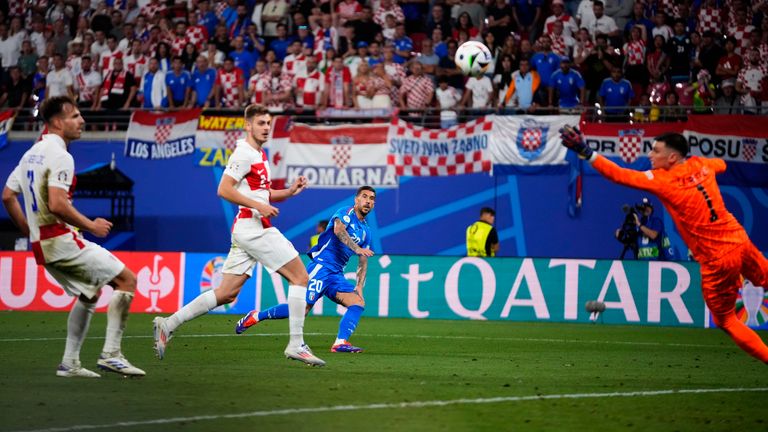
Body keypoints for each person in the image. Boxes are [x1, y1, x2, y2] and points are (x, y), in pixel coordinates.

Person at [560, 127, 768, 363]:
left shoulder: (663, 180)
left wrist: (586, 151)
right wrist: (706, 168)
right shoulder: (702, 164)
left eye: (656, 150)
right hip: (739, 240)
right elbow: (722, 164)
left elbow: (619, 174)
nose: (650, 155)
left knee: (727, 320)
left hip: (717, 258)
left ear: (672, 157)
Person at [153, 104, 325, 367]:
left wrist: (289, 192)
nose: (266, 128)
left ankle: (168, 323)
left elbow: (262, 194)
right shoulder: (244, 153)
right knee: (300, 277)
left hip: (246, 228)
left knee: (226, 293)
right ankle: (295, 344)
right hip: (255, 228)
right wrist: (257, 206)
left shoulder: (259, 154)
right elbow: (223, 189)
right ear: (247, 125)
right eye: (261, 123)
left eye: (268, 123)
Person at [1, 96, 144, 378]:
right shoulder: (61, 155)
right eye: (75, 116)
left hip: (42, 244)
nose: (82, 121)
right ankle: (111, 354)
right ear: (57, 122)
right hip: (60, 239)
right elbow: (57, 203)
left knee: (88, 295)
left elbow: (8, 196)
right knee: (127, 279)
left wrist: (29, 231)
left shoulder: (32, 153)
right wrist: (91, 225)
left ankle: (70, 363)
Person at [236, 186, 377, 353]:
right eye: (365, 197)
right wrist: (356, 248)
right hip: (321, 267)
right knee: (301, 310)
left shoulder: (366, 231)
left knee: (358, 303)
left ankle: (340, 342)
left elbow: (363, 259)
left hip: (336, 275)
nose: (368, 201)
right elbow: (339, 230)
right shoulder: (345, 213)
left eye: (372, 198)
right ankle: (256, 316)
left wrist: (359, 285)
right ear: (356, 200)